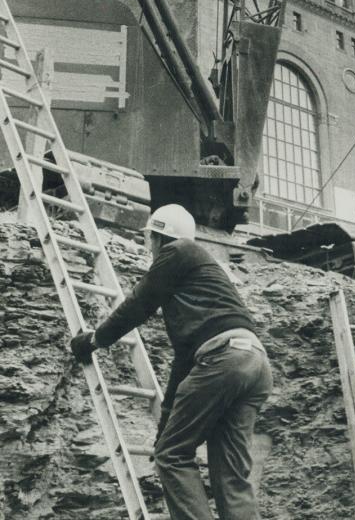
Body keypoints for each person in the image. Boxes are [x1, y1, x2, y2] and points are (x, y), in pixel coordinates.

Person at [69, 203, 272, 520]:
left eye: (150, 238)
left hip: (223, 360)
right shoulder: (200, 281)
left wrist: (95, 340)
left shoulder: (178, 251)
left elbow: (139, 303)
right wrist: (166, 420)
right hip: (254, 364)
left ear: (160, 237)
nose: (149, 246)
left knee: (172, 455)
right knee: (232, 477)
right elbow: (185, 359)